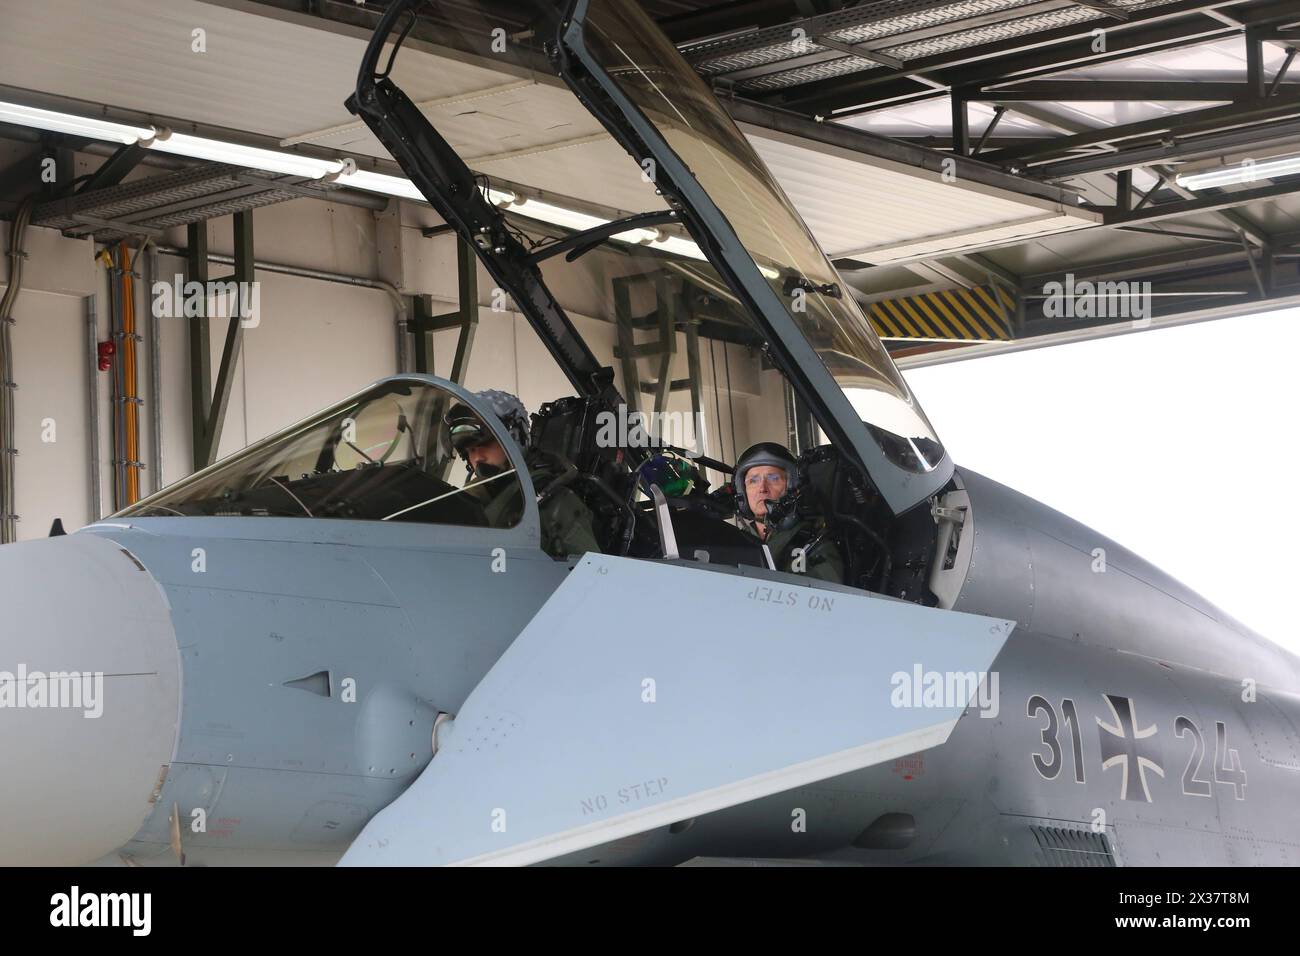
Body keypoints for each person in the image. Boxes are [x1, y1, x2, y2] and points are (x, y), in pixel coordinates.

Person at [445, 389, 601, 560]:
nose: (477, 458)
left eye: (484, 445)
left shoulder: (554, 503)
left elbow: (594, 577)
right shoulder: (473, 499)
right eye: (469, 451)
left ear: (515, 437)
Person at [734, 441, 844, 584]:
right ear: (742, 490)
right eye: (753, 481)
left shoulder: (812, 544)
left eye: (774, 478)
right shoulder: (734, 544)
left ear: (792, 486)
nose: (762, 488)